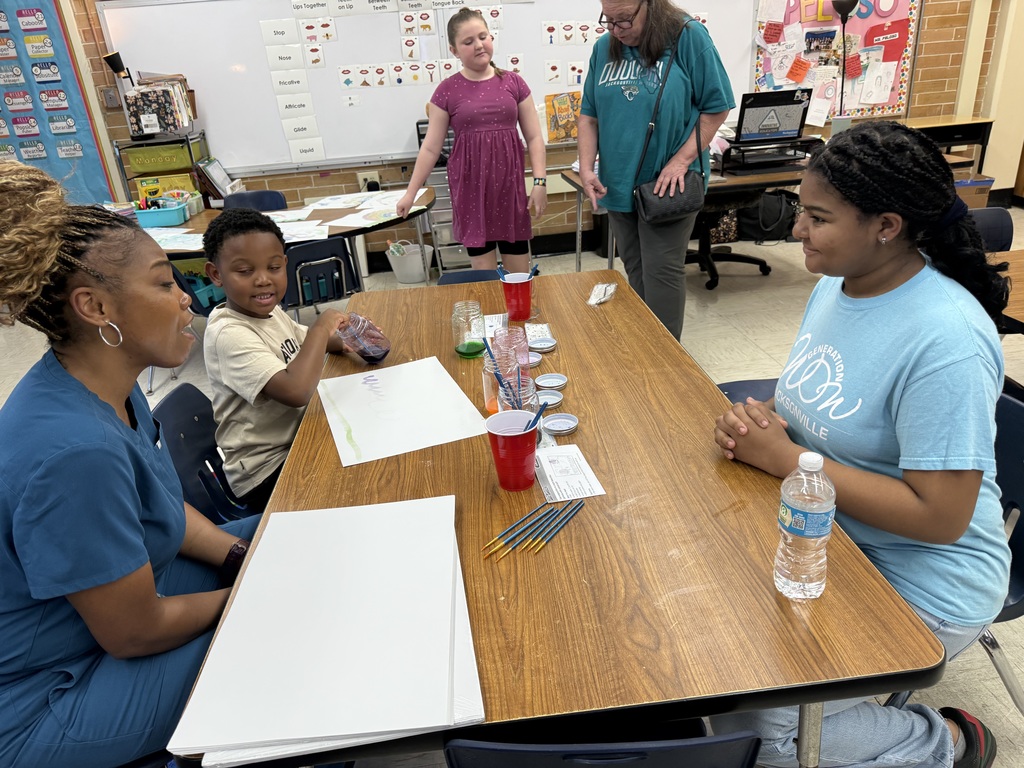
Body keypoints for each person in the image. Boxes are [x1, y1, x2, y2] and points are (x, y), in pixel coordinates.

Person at [710, 122, 1009, 768]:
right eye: (801, 211)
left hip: (924, 581)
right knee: (709, 659)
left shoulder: (946, 339)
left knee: (763, 739)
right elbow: (822, 416)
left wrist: (789, 460)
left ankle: (948, 742)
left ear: (886, 226)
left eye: (817, 218)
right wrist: (765, 429)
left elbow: (942, 516)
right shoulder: (836, 284)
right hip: (828, 537)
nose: (796, 232)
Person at [0, 161, 260, 767]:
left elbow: (165, 510)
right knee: (271, 628)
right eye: (166, 284)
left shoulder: (106, 386)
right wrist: (252, 591)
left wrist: (239, 555)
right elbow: (134, 631)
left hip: (106, 622)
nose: (188, 302)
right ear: (93, 307)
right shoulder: (75, 454)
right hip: (51, 698)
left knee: (284, 533)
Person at [578, 0, 734, 339]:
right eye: (609, 20)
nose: (617, 29)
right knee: (635, 269)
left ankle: (666, 366)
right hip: (617, 183)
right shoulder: (604, 48)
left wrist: (680, 160)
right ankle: (646, 347)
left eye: (624, 19)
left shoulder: (688, 36)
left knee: (661, 273)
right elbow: (589, 116)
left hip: (669, 185)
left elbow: (716, 109)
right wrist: (587, 169)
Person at [203, 208, 356, 514]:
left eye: (273, 267)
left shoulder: (269, 313)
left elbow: (317, 343)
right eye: (245, 271)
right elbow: (296, 390)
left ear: (285, 264)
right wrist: (321, 326)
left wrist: (355, 340)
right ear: (216, 274)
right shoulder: (228, 333)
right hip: (265, 470)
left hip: (299, 439)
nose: (263, 280)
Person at [396, 6, 547, 274]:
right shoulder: (446, 91)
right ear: (454, 51)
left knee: (519, 276)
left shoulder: (514, 83)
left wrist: (539, 181)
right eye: (468, 41)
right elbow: (430, 148)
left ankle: (518, 316)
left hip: (509, 191)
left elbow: (534, 137)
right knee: (484, 279)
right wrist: (411, 192)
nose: (479, 45)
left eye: (483, 36)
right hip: (471, 192)